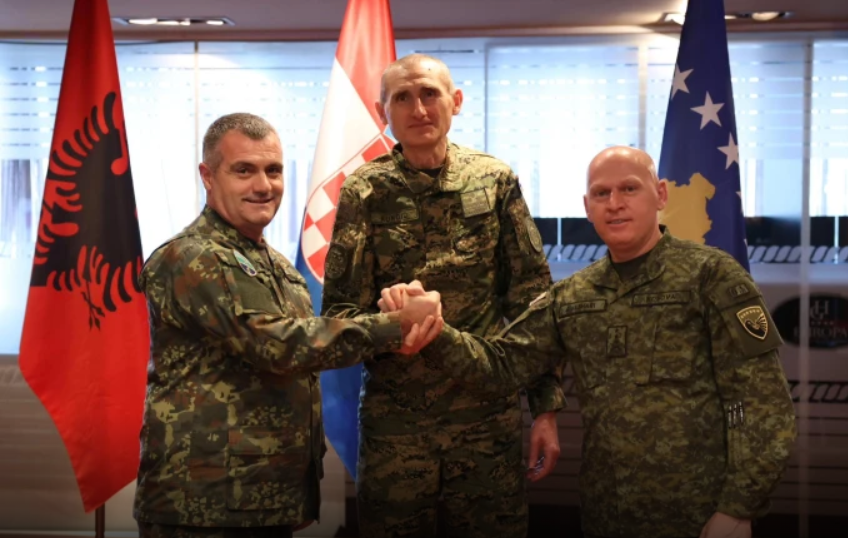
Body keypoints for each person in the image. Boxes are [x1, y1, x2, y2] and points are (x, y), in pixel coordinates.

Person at [411, 146, 797, 538]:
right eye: (601, 193)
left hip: (700, 516)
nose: (615, 204)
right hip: (607, 515)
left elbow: (761, 403)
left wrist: (738, 508)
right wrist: (435, 331)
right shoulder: (574, 296)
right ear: (587, 207)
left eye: (629, 188)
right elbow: (502, 365)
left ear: (660, 195)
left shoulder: (711, 277)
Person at [133, 113, 443, 538]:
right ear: (207, 176)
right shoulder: (190, 257)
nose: (263, 185)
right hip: (203, 504)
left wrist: (297, 490)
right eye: (244, 170)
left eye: (273, 170)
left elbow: (301, 366)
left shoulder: (278, 267)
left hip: (264, 497)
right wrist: (393, 326)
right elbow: (277, 346)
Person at [321, 53, 565, 538]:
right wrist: (390, 325)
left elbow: (532, 303)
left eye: (429, 94)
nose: (418, 109)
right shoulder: (364, 191)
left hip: (486, 419)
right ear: (384, 111)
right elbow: (338, 313)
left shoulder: (494, 180)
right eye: (402, 98)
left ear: (455, 101)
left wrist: (546, 409)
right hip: (396, 426)